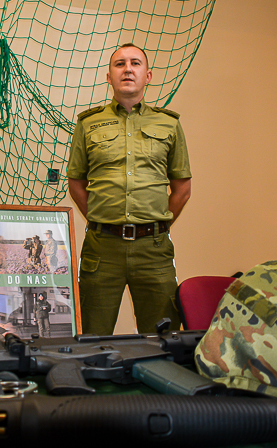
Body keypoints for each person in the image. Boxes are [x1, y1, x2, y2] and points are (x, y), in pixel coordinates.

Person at [67, 43, 191, 335]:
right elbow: (76, 181)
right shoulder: (88, 123)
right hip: (102, 247)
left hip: (154, 249)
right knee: (92, 336)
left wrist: (158, 221)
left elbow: (182, 187)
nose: (128, 69)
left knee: (163, 338)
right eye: (119, 64)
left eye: (135, 63)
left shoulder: (169, 123)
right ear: (108, 76)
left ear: (148, 75)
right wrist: (100, 217)